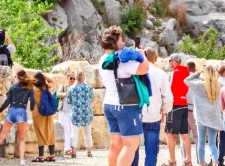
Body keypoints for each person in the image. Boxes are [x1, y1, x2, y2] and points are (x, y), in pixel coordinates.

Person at [99, 26, 150, 166]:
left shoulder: (103, 59)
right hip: (126, 106)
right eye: (121, 40)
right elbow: (145, 68)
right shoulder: (122, 62)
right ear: (115, 42)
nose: (123, 43)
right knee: (131, 145)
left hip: (109, 103)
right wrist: (141, 54)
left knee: (116, 145)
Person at [0, 69, 35, 165]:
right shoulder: (29, 88)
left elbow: (7, 102)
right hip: (21, 111)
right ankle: (22, 161)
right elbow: (32, 102)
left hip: (11, 111)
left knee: (1, 137)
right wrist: (33, 108)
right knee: (21, 138)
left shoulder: (13, 87)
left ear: (17, 78)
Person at [132, 48, 172, 166]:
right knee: (152, 150)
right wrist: (163, 111)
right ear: (156, 59)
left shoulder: (134, 72)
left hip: (135, 114)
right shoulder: (160, 74)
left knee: (133, 148)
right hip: (153, 115)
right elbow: (168, 98)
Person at [185, 64, 223, 166]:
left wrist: (199, 72)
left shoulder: (199, 85)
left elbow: (187, 80)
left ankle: (201, 163)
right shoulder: (219, 85)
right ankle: (215, 161)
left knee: (201, 143)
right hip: (214, 116)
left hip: (201, 116)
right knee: (212, 143)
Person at [166, 54, 192, 166]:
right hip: (184, 104)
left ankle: (172, 160)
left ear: (175, 61)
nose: (169, 63)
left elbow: (169, 88)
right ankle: (188, 159)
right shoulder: (187, 73)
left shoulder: (174, 73)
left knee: (169, 133)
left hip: (174, 104)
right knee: (185, 134)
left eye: (170, 61)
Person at [66, 70, 95, 159]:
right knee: (87, 133)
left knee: (74, 133)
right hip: (87, 112)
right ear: (84, 77)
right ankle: (89, 151)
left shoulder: (71, 88)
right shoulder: (89, 87)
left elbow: (68, 101)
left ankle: (74, 151)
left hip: (75, 112)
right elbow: (92, 98)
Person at [31, 72, 56, 162]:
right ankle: (52, 155)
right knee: (50, 132)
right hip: (48, 112)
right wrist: (43, 75)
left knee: (40, 133)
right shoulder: (46, 87)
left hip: (38, 112)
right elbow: (52, 81)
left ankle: (41, 156)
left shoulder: (34, 89)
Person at [55, 72, 76, 157]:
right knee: (66, 130)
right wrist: (66, 94)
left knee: (71, 130)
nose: (72, 80)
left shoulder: (75, 88)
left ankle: (70, 148)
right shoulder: (63, 87)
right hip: (64, 111)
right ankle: (66, 149)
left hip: (72, 111)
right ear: (67, 79)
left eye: (74, 78)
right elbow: (58, 94)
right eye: (71, 78)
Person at [186, 61, 198, 146]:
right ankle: (199, 158)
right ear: (195, 68)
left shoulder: (183, 78)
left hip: (183, 107)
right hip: (194, 108)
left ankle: (185, 157)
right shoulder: (197, 79)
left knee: (184, 134)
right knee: (196, 134)